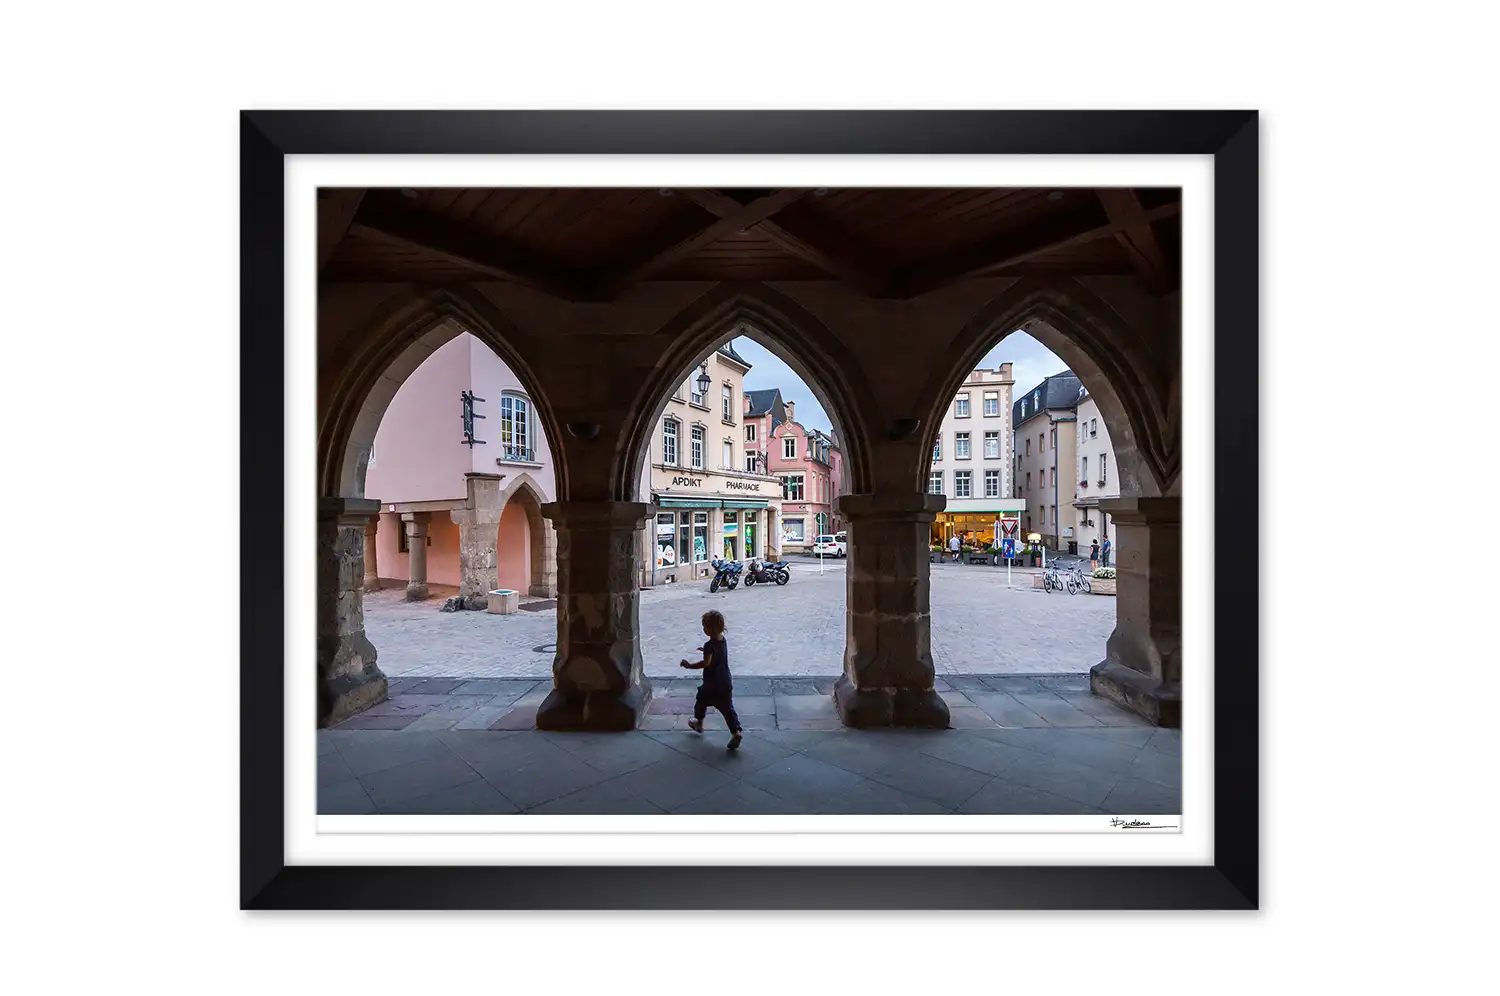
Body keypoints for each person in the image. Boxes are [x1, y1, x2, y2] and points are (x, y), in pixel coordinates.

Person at [680, 609, 742, 750]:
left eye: (705, 626)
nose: (703, 629)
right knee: (728, 708)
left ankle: (698, 723)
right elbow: (717, 652)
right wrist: (706, 651)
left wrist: (689, 665)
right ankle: (736, 732)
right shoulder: (723, 640)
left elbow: (706, 663)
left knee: (701, 700)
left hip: (712, 683)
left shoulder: (709, 645)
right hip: (725, 681)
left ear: (710, 629)